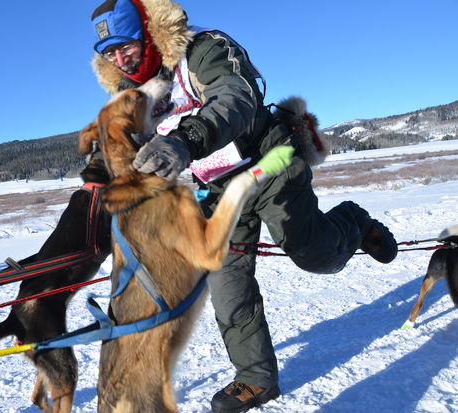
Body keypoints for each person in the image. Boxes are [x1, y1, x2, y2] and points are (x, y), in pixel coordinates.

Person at [89, 1, 398, 412]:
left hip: (268, 163)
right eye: (110, 53)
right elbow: (119, 139)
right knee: (227, 288)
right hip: (217, 192)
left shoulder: (203, 49)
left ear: (148, 32)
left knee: (313, 254)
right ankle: (256, 378)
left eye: (126, 45)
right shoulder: (133, 96)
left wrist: (187, 138)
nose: (121, 58)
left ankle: (356, 223)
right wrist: (97, 171)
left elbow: (236, 96)